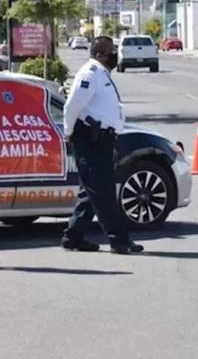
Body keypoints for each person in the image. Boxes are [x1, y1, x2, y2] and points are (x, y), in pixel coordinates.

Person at [62, 36, 143, 255]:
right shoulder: (90, 74)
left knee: (90, 192)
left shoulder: (100, 74)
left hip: (101, 140)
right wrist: (68, 133)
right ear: (99, 54)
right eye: (111, 51)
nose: (115, 54)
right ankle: (119, 240)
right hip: (90, 139)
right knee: (104, 193)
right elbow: (71, 106)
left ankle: (73, 237)